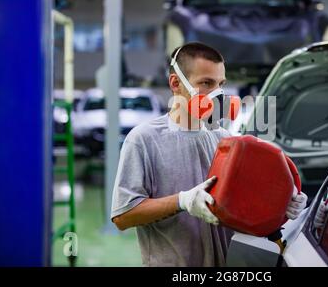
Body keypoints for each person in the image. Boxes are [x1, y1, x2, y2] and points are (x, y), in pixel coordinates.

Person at [110, 42, 308, 266]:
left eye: (221, 84)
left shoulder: (225, 139)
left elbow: (243, 205)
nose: (217, 94)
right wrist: (183, 201)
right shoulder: (144, 140)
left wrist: (282, 204)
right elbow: (123, 216)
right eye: (206, 83)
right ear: (176, 83)